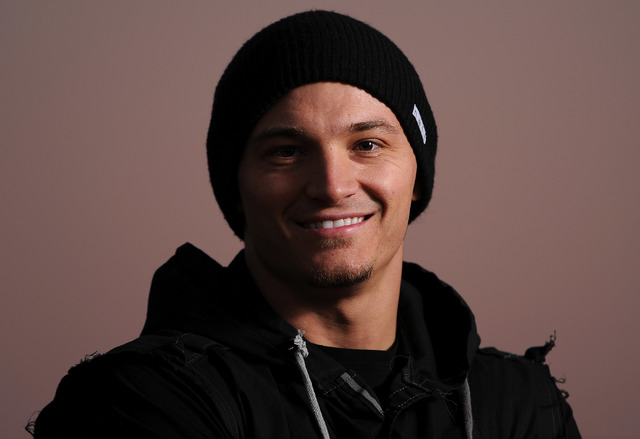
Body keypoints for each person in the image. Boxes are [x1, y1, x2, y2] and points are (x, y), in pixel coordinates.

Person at [32, 10, 580, 439]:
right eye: (287, 151)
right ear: (236, 187)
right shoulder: (141, 401)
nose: (332, 186)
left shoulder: (516, 401)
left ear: (417, 176)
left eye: (367, 145)